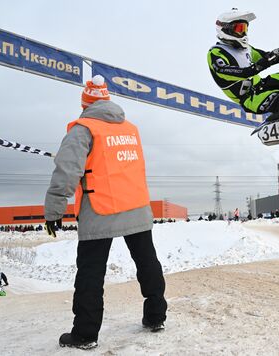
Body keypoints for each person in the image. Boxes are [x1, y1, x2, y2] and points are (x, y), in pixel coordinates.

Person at [44, 75, 167, 350]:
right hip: (136, 207)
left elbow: (66, 172)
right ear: (107, 99)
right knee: (148, 264)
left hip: (101, 209)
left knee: (90, 273)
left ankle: (85, 334)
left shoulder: (83, 129)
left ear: (85, 102)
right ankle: (156, 316)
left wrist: (54, 210)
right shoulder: (130, 129)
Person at [208, 9, 279, 125]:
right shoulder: (216, 53)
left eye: (244, 29)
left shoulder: (246, 49)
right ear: (226, 29)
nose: (243, 33)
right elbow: (240, 73)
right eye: (239, 29)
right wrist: (261, 64)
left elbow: (268, 56)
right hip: (251, 99)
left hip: (262, 85)